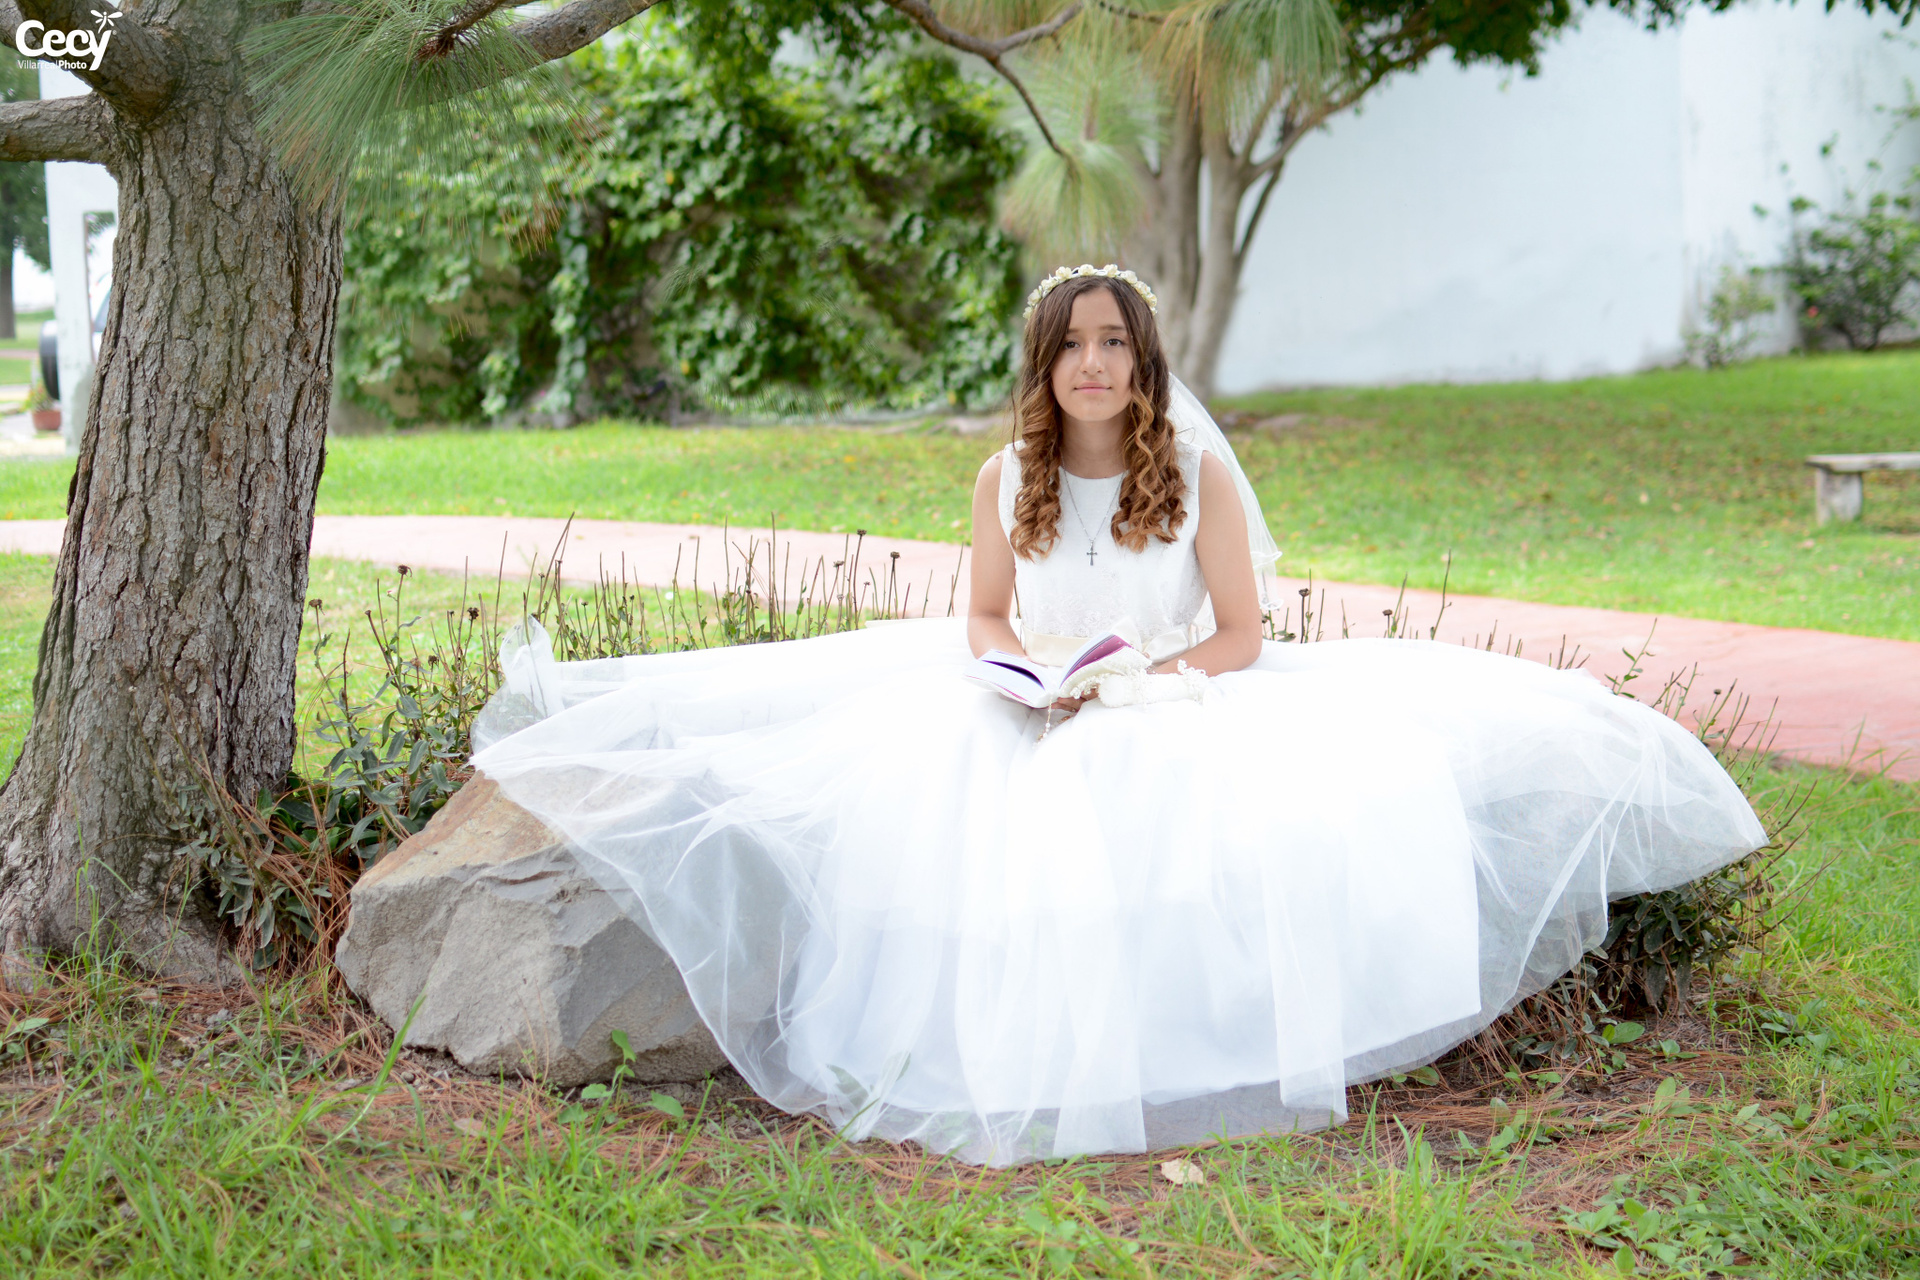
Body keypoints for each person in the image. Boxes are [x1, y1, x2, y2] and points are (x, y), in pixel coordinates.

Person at [469, 264, 1766, 1167]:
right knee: (952, 791)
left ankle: (1179, 1044)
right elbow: (983, 617)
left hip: (1171, 691)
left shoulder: (1195, 477)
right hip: (1034, 697)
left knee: (1159, 790)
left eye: (1114, 344)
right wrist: (1024, 676)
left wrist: (1140, 685)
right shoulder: (1005, 478)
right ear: (1044, 365)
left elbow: (1243, 635)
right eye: (1070, 344)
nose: (1092, 364)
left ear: (1143, 363)